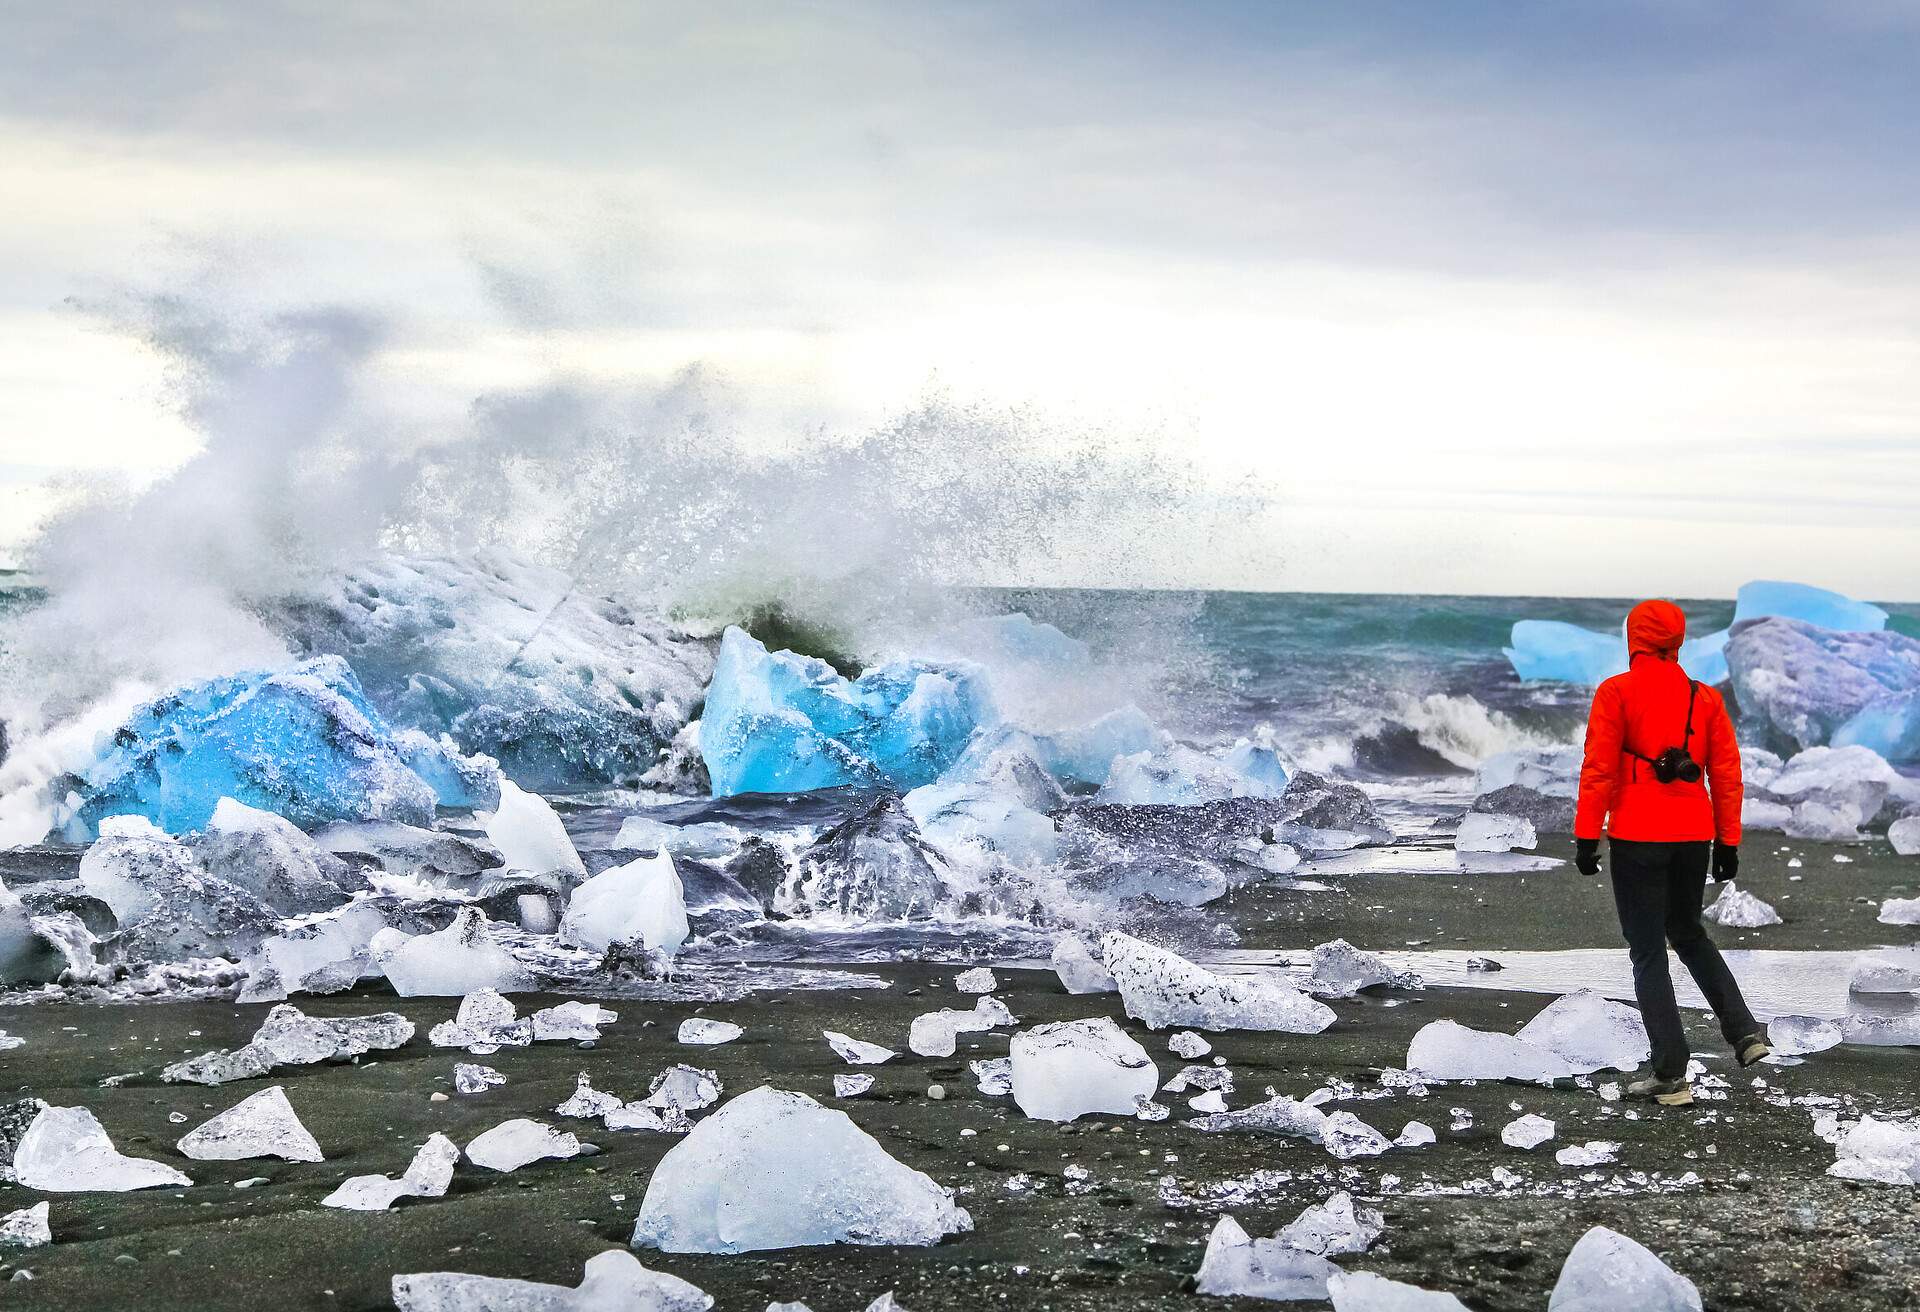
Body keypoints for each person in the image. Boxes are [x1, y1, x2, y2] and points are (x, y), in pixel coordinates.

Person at [1573, 598, 1770, 1106]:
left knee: (1647, 951)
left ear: (1633, 638)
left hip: (1638, 836)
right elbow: (1726, 773)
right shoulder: (1703, 699)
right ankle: (1746, 1034)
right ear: (1677, 641)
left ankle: (1670, 1073)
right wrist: (1728, 841)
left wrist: (1586, 836)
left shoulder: (1616, 692)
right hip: (1692, 836)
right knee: (1688, 933)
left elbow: (1598, 770)